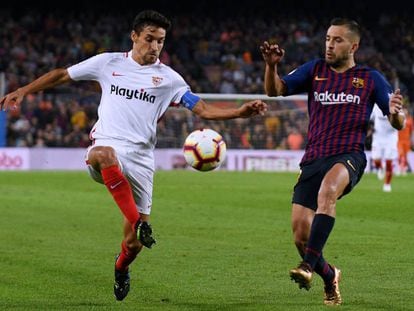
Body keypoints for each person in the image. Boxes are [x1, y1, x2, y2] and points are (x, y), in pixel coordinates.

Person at [1, 10, 267, 301]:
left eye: (160, 42)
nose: (154, 47)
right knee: (103, 153)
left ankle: (121, 267)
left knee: (133, 246)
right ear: (135, 36)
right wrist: (24, 90)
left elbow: (202, 109)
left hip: (141, 158)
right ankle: (141, 224)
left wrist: (239, 112)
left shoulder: (169, 79)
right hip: (108, 145)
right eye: (149, 39)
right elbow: (63, 75)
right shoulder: (108, 62)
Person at [260, 17, 405, 305]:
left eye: (337, 40)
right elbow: (274, 90)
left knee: (328, 192)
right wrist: (272, 65)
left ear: (353, 45)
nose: (329, 44)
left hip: (348, 156)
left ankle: (307, 267)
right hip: (314, 157)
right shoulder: (314, 70)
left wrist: (396, 112)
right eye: (328, 38)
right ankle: (330, 276)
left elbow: (397, 121)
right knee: (301, 236)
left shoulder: (369, 77)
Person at [369, 104, 399, 192]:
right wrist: (370, 127)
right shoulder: (375, 106)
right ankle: (381, 168)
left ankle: (387, 184)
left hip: (391, 137)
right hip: (378, 136)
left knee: (389, 162)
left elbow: (401, 122)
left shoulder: (396, 105)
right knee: (376, 160)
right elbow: (370, 118)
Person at [397, 106, 413, 175]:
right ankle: (400, 168)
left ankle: (404, 169)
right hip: (399, 140)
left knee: (406, 156)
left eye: (405, 110)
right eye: (403, 110)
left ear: (407, 111)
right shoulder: (399, 118)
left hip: (407, 141)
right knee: (401, 154)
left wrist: (412, 139)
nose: (404, 111)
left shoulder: (410, 119)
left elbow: (412, 131)